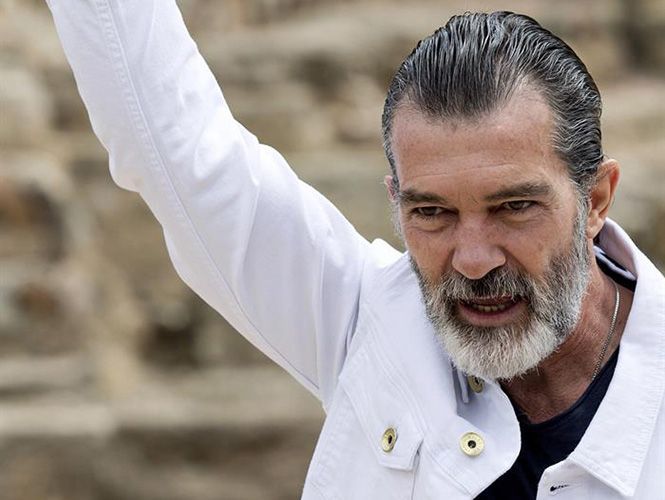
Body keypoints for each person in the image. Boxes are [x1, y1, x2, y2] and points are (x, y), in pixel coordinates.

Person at [46, 1, 664, 498]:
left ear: (596, 199)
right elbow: (170, 141)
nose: (473, 260)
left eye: (513, 207)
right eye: (432, 213)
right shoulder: (371, 322)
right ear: (396, 200)